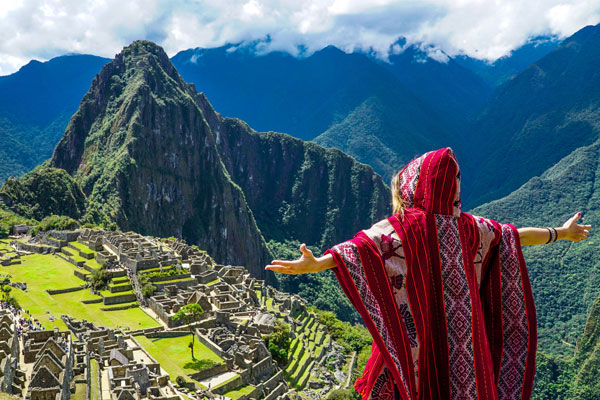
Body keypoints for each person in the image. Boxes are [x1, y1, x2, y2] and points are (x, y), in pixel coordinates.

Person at [266, 148, 590, 400]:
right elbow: (515, 235)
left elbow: (362, 248)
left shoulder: (404, 226)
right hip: (466, 350)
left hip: (416, 345)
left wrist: (318, 262)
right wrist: (560, 232)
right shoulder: (472, 228)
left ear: (414, 186)